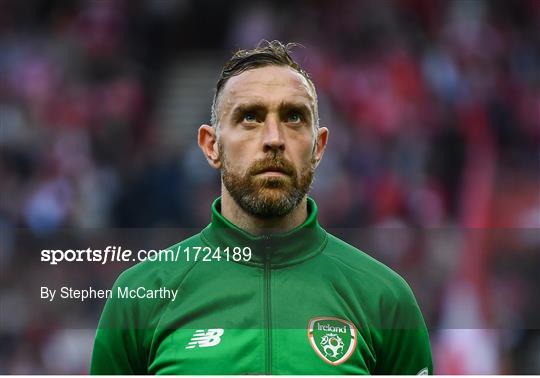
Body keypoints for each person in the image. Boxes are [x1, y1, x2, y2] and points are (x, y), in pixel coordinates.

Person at [90, 40, 433, 375]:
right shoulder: (140, 296)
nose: (274, 139)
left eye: (294, 117)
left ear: (319, 147)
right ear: (211, 146)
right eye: (250, 117)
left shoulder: (385, 299)